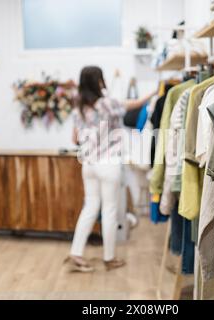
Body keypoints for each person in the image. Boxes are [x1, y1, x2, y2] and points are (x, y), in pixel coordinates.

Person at [67, 66, 156, 272]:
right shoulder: (107, 104)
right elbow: (135, 103)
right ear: (99, 81)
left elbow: (74, 139)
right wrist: (155, 91)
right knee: (109, 210)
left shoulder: (78, 108)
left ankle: (76, 253)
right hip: (108, 164)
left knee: (89, 207)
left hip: (88, 164)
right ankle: (108, 258)